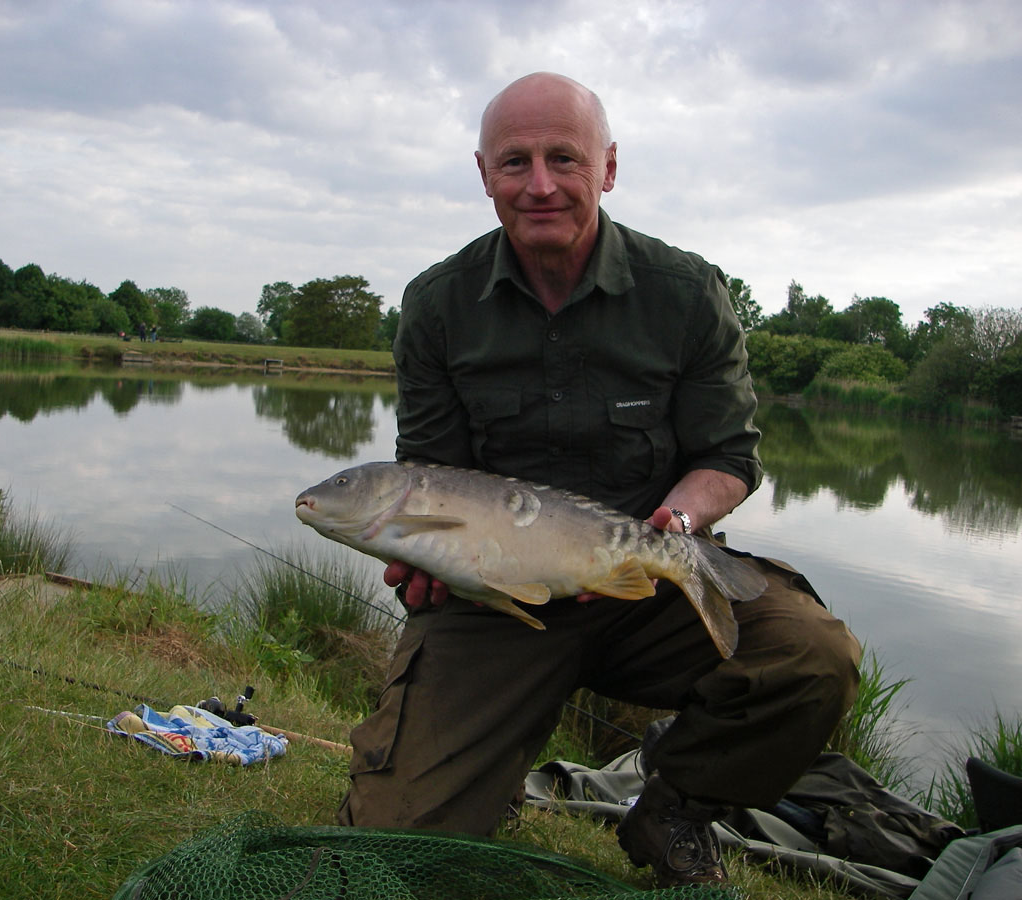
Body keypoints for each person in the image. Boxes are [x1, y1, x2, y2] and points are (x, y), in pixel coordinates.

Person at [335, 72, 862, 888]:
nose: (539, 185)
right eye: (515, 163)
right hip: (496, 606)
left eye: (564, 160)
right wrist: (423, 562)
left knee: (811, 656)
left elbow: (729, 457)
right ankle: (488, 774)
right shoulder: (437, 305)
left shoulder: (686, 294)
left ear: (607, 168)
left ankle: (677, 806)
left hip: (645, 581)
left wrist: (676, 528)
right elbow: (429, 470)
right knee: (394, 849)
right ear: (484, 175)